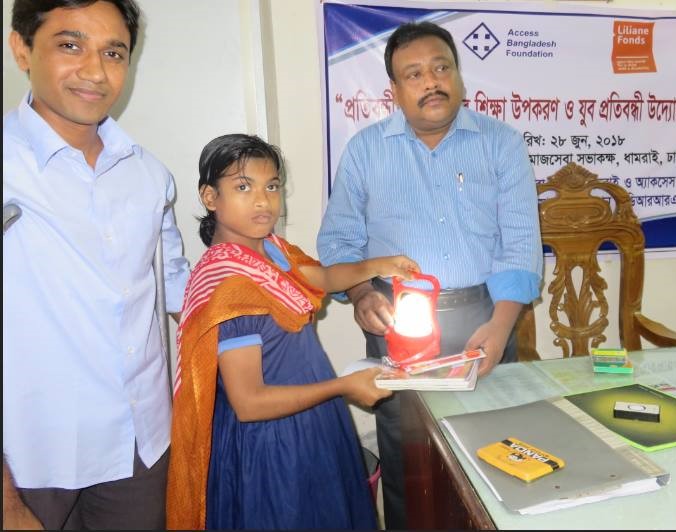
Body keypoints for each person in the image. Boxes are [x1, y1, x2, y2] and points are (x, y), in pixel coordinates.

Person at [317, 20, 543, 528]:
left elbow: (521, 244)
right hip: (399, 324)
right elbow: (338, 242)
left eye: (441, 68)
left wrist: (502, 325)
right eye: (413, 74)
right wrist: (358, 294)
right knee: (408, 459)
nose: (431, 81)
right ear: (394, 91)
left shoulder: (501, 143)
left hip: (485, 320)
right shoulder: (366, 150)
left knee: (494, 453)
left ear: (460, 76)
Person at [166, 133, 420, 530]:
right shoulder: (230, 286)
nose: (263, 200)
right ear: (210, 197)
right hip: (270, 447)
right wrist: (344, 387)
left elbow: (323, 276)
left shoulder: (271, 250)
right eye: (243, 187)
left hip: (312, 423)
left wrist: (378, 265)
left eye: (272, 186)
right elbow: (249, 402)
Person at [2, 0, 190, 529]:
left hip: (140, 445)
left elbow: (174, 285)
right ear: (22, 49)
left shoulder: (149, 174)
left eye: (113, 52)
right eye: (69, 45)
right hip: (30, 457)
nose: (94, 70)